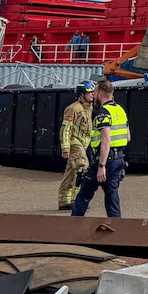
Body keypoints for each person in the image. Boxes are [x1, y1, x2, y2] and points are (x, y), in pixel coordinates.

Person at [72, 78, 128, 218]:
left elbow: (106, 139)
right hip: (118, 159)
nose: (94, 95)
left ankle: (72, 227)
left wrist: (101, 166)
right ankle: (116, 227)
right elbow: (128, 137)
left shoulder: (102, 113)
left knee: (84, 194)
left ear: (101, 94)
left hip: (104, 160)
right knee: (112, 196)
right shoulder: (120, 110)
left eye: (95, 92)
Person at [57, 80, 95, 210]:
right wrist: (65, 147)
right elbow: (66, 129)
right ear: (81, 94)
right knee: (82, 167)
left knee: (72, 172)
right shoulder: (73, 109)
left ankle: (66, 200)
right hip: (75, 143)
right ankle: (77, 199)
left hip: (84, 144)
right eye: (89, 93)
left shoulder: (89, 109)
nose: (92, 95)